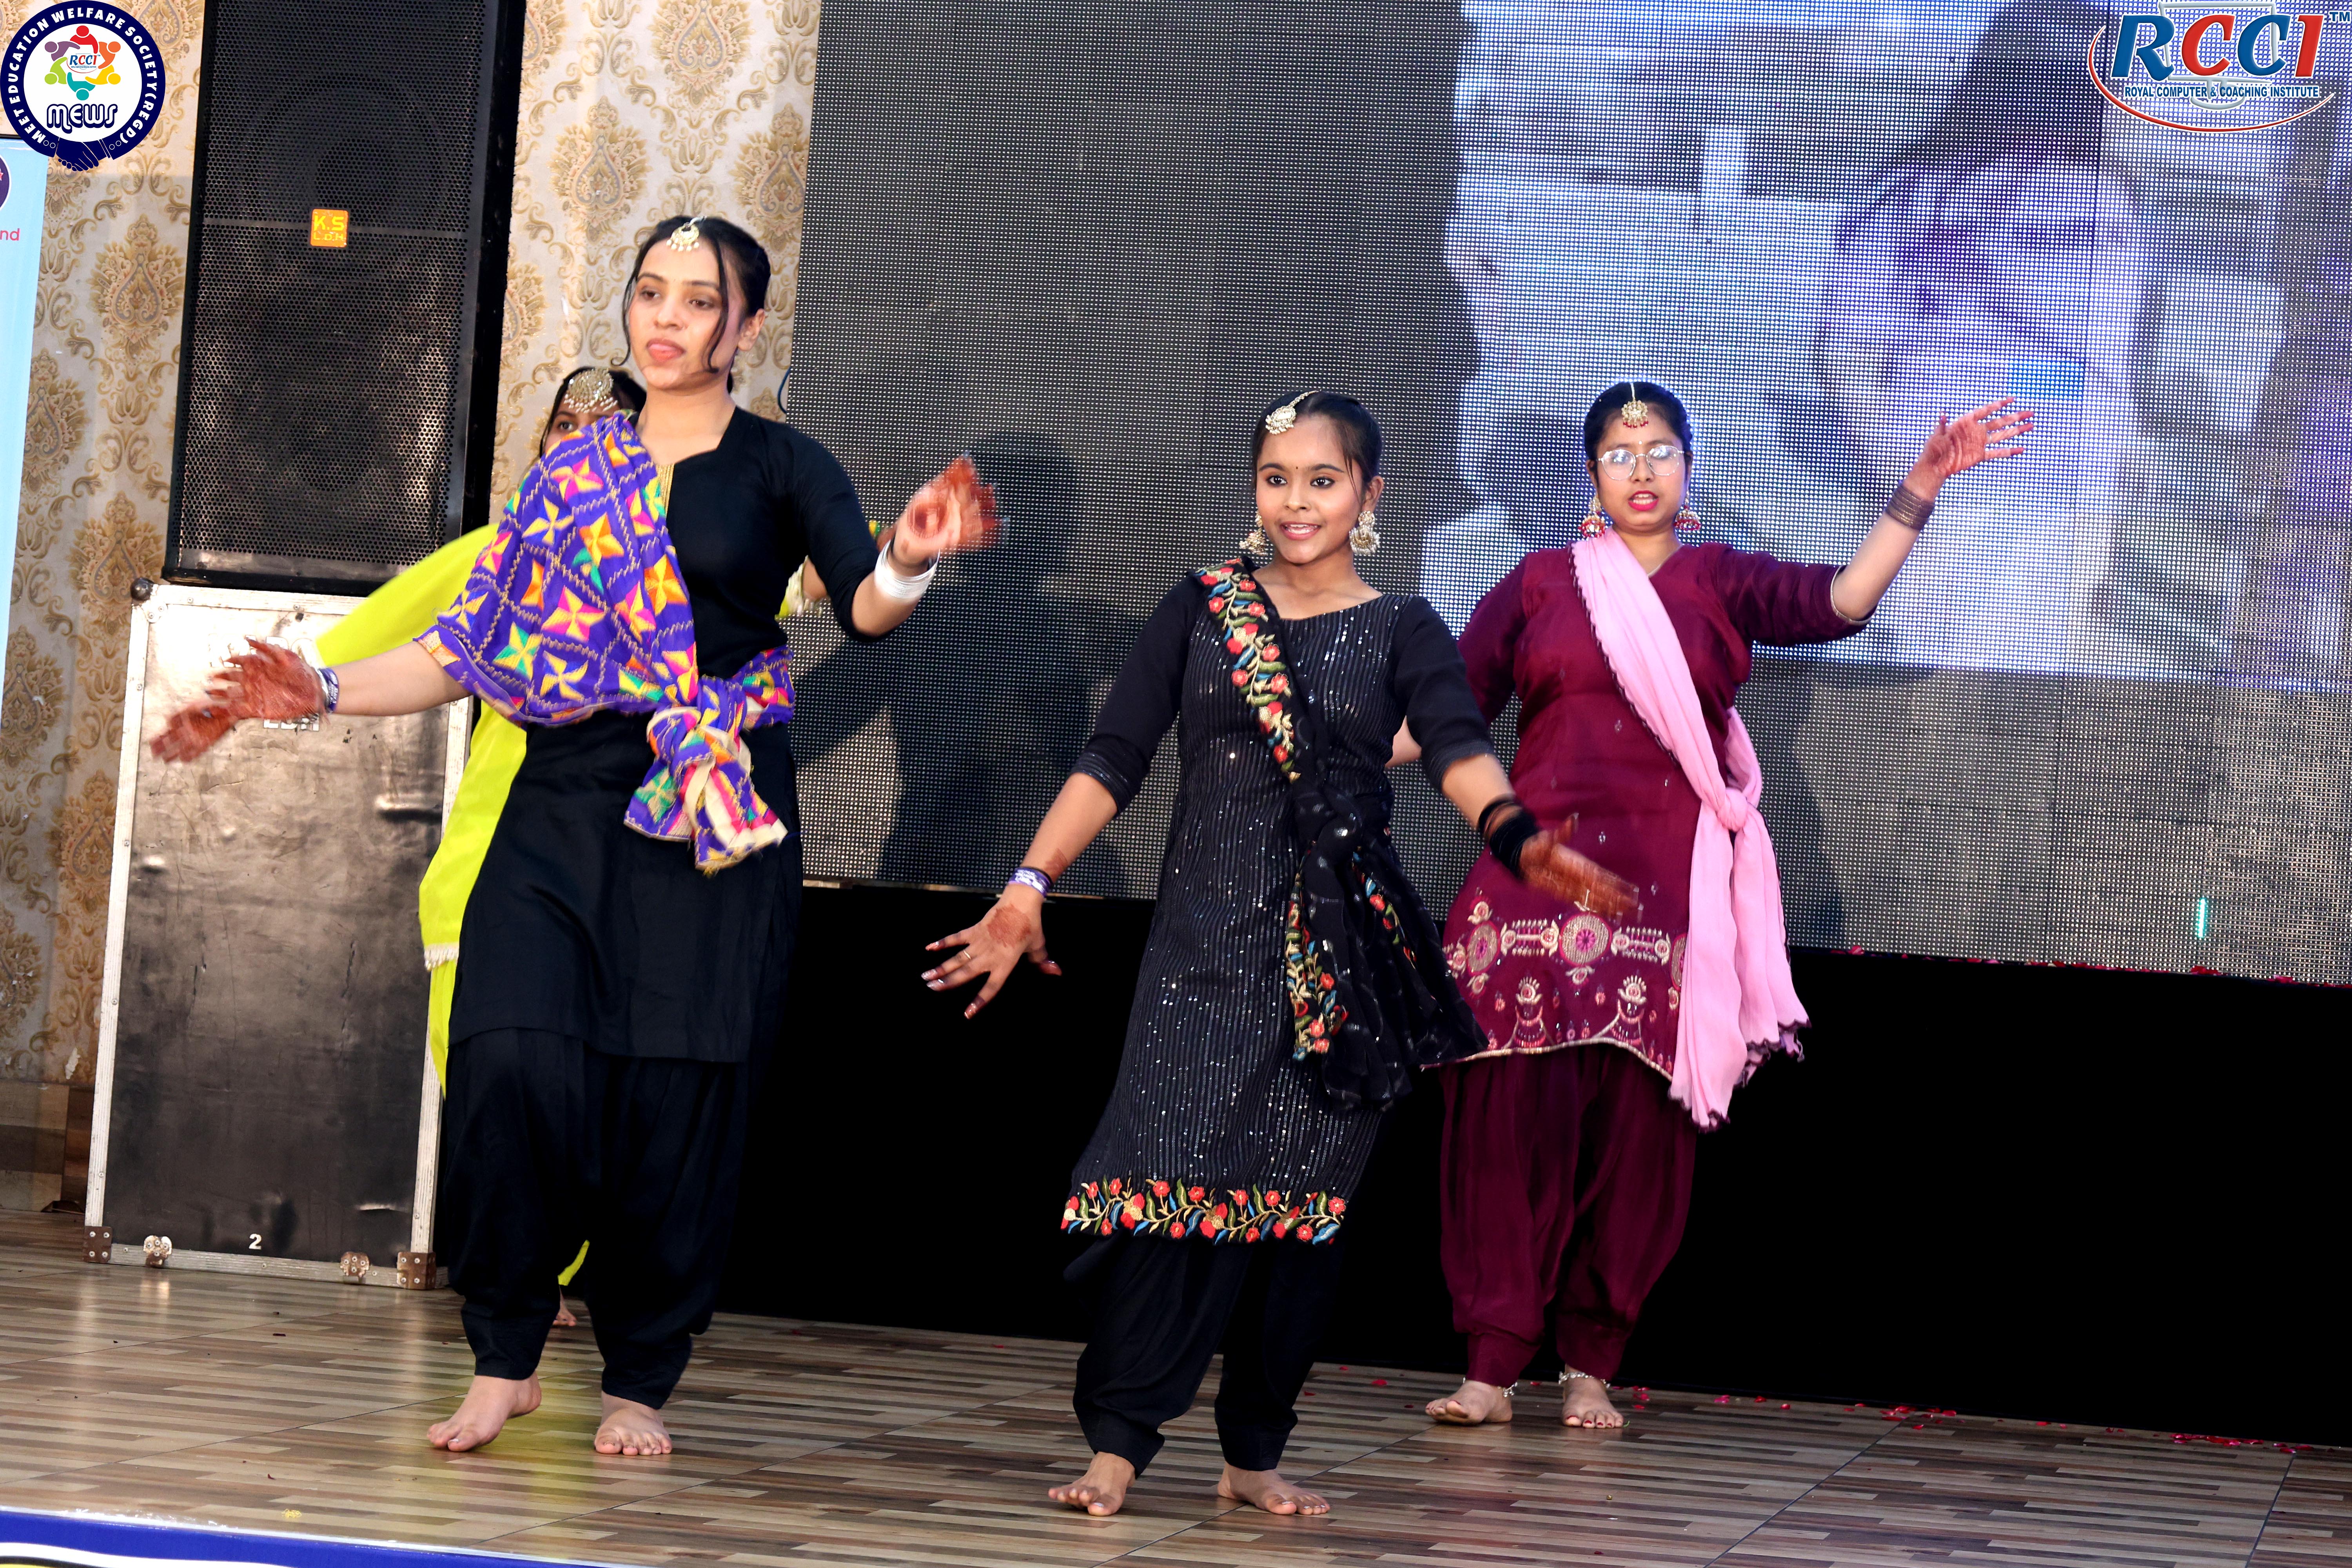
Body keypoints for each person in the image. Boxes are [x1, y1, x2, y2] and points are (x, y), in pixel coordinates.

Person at [151, 214, 999, 1458]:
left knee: (676, 1095)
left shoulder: (783, 464)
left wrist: (910, 559)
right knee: (510, 1062)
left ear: (747, 326)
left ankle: (640, 1377)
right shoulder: (569, 476)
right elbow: (464, 647)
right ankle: (505, 1354)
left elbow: (866, 607)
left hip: (710, 809)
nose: (667, 318)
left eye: (699, 300)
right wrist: (317, 688)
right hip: (563, 802)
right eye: (651, 292)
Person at [923, 391, 1635, 1518]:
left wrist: (1516, 836)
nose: (1296, 502)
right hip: (1200, 954)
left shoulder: (1403, 627)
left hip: (1336, 965)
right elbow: (1114, 755)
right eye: (1277, 478)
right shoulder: (1203, 607)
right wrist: (1028, 886)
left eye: (1322, 479)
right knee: (1165, 1190)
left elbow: (1456, 744)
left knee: (1299, 1213)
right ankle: (1118, 1444)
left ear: (1369, 494)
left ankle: (1254, 1452)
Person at [1423, 380, 2029, 1431]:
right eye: (1620, 454)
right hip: (1532, 886)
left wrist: (1922, 484)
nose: (1642, 470)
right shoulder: (1537, 583)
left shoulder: (1719, 579)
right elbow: (1446, 722)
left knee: (1637, 1138)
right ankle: (1489, 1364)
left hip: (1667, 895)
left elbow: (1843, 603)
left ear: (1689, 468)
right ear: (1591, 476)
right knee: (1507, 1126)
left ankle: (1589, 1363)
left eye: (1661, 450)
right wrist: (1314, 727)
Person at [318, 365, 650, 1332]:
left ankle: (549, 1271)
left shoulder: (682, 560)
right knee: (492, 1083)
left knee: (594, 1087)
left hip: (626, 877)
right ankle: (518, 1283)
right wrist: (278, 686)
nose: (577, 439)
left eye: (605, 428)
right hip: (490, 870)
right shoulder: (498, 552)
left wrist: (897, 554)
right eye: (563, 423)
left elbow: (806, 575)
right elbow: (365, 645)